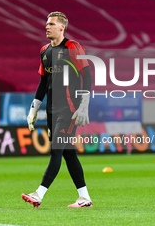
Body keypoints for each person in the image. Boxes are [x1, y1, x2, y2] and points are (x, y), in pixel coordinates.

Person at [21, 12, 93, 208]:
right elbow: (43, 82)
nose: (47, 26)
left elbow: (87, 76)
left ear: (62, 27)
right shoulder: (44, 51)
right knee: (68, 153)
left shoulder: (73, 47)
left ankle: (39, 194)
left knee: (56, 150)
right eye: (46, 23)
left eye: (51, 24)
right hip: (52, 110)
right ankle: (85, 198)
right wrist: (34, 109)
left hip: (70, 109)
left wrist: (84, 105)